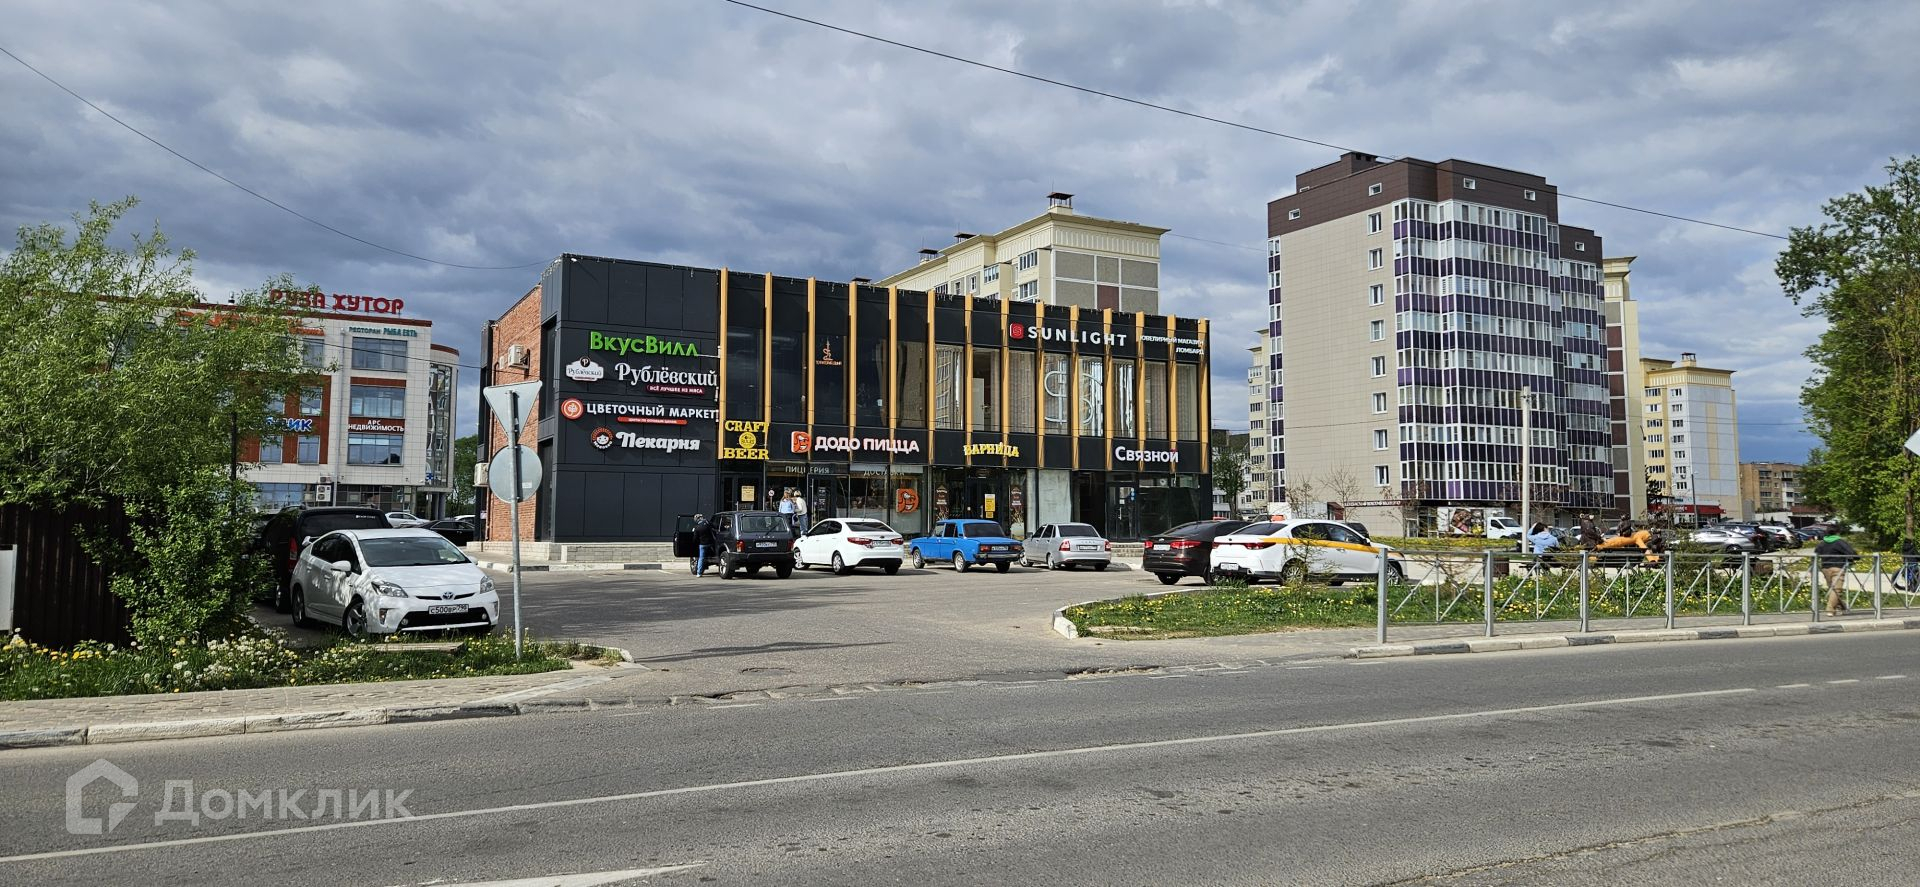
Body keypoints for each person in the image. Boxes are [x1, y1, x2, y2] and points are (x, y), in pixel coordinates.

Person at [1814, 532, 1859, 617]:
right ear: (1837, 532)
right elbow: (1851, 552)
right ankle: (1830, 610)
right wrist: (1856, 558)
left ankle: (1842, 607)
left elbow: (1816, 554)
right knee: (1836, 590)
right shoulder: (1840, 542)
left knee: (1833, 589)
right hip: (1838, 567)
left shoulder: (1822, 543)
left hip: (1825, 568)